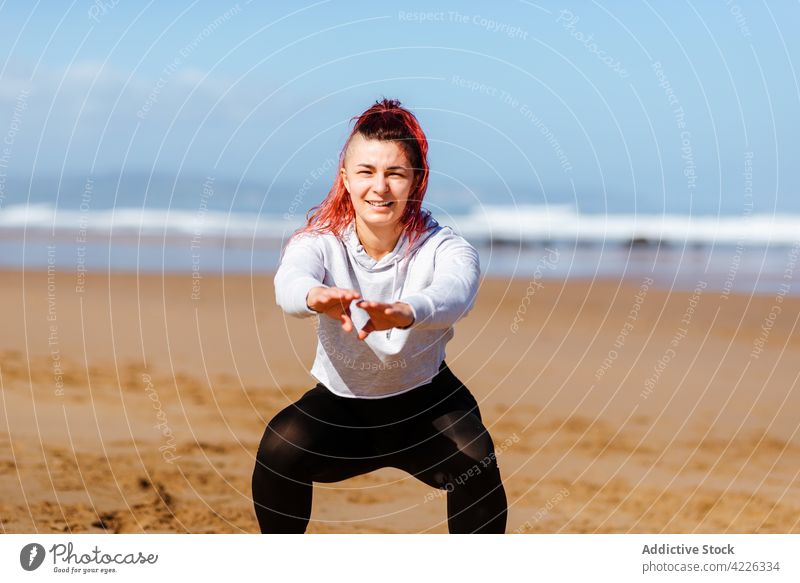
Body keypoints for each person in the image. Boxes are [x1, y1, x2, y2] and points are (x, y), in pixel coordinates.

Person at [252, 98, 507, 534]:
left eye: (395, 173)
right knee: (279, 448)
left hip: (426, 403)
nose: (380, 187)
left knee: (475, 457)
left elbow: (456, 293)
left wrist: (407, 311)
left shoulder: (444, 247)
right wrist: (316, 296)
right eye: (367, 172)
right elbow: (288, 283)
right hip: (341, 407)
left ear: (416, 180)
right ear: (346, 178)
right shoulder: (320, 242)